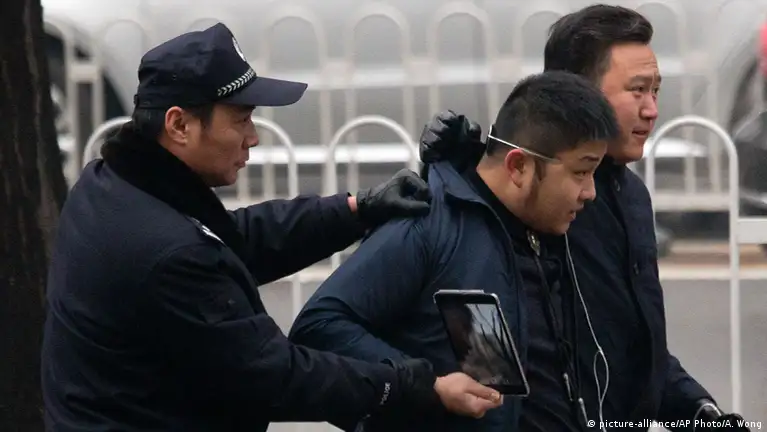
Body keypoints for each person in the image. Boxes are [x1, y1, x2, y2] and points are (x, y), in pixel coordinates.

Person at [40, 22, 504, 432]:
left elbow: (234, 239)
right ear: (179, 125)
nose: (254, 138)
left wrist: (357, 209)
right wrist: (417, 385)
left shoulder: (113, 183)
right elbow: (278, 376)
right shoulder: (167, 253)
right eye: (241, 120)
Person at [419, 4, 752, 432]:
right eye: (637, 90)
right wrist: (451, 175)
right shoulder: (515, 200)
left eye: (656, 90)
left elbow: (637, 350)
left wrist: (701, 411)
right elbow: (479, 348)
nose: (652, 109)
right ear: (577, 94)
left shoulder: (633, 198)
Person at [289, 70, 622, 431]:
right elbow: (318, 328)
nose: (590, 192)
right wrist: (425, 386)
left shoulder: (551, 229)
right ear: (518, 166)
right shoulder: (430, 226)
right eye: (581, 172)